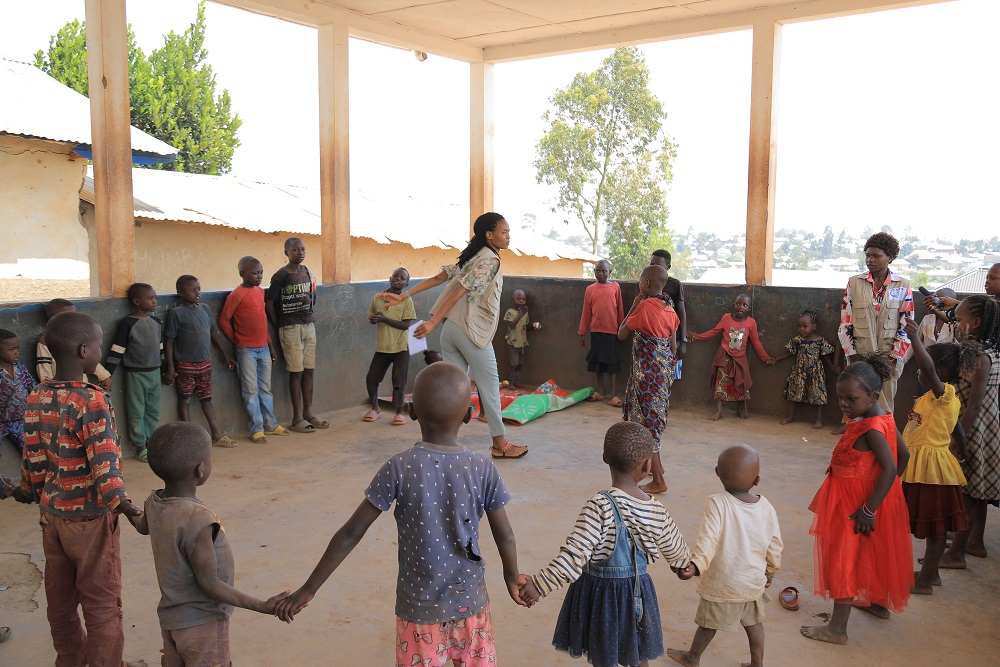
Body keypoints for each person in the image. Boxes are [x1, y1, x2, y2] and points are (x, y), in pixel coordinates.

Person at [274, 363, 527, 666]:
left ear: (411, 411)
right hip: (471, 606)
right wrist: (512, 576)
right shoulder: (482, 468)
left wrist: (309, 588)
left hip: (418, 612)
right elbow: (505, 534)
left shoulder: (399, 467)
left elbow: (351, 533)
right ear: (469, 415)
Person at [11, 311, 144, 667]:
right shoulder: (92, 400)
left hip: (52, 519)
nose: (99, 351)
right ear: (85, 350)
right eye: (99, 345)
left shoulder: (37, 395)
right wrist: (129, 510)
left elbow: (34, 462)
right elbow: (106, 471)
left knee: (61, 603)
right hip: (90, 521)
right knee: (103, 607)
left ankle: (70, 661)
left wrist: (23, 490)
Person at [515, 422, 691, 667]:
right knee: (637, 653)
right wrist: (685, 566)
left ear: (605, 458)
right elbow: (675, 545)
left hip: (602, 598)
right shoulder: (656, 510)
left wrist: (540, 584)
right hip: (638, 594)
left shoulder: (599, 505)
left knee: (604, 653)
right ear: (648, 465)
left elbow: (575, 552)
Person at [132, 422, 290, 664]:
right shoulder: (198, 519)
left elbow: (142, 526)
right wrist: (262, 606)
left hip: (171, 620)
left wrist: (122, 504)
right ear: (200, 469)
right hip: (202, 623)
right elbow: (209, 584)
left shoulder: (154, 502)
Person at [379, 212, 528, 459]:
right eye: (504, 232)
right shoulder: (489, 260)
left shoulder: (472, 256)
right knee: (489, 386)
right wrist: (432, 321)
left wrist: (404, 295)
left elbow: (440, 277)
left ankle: (441, 443)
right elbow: (460, 289)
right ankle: (500, 444)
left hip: (452, 330)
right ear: (489, 235)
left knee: (451, 389)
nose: (508, 236)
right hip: (472, 332)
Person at [800, 352, 912, 645]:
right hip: (866, 499)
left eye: (851, 399)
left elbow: (890, 466)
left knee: (844, 558)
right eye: (841, 399)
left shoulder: (871, 427)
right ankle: (876, 602)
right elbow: (905, 456)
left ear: (873, 395)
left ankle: (837, 629)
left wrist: (870, 506)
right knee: (866, 553)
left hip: (854, 504)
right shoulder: (884, 416)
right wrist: (885, 495)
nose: (845, 405)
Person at [668, 444, 783, 667]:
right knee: (754, 624)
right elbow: (775, 544)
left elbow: (708, 540)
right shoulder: (766, 507)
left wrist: (695, 566)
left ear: (717, 472)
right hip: (752, 580)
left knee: (708, 623)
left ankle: (692, 658)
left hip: (723, 581)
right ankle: (757, 664)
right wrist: (771, 571)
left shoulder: (717, 502)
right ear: (757, 480)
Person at [900, 319, 977, 594]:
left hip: (931, 470)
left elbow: (928, 368)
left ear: (941, 371)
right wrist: (964, 454)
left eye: (925, 367)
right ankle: (930, 574)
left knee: (936, 529)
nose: (920, 371)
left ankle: (923, 582)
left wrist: (915, 339)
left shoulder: (945, 394)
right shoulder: (930, 400)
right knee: (933, 526)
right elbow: (957, 429)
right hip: (922, 467)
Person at [940, 295, 1000, 568]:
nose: (955, 322)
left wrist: (957, 442)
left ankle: (956, 554)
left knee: (966, 494)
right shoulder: (984, 350)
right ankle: (967, 543)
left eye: (959, 318)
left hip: (974, 432)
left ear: (975, 323)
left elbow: (973, 407)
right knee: (974, 492)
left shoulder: (981, 359)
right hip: (980, 429)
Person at [618, 264, 680, 495]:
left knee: (646, 425)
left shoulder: (643, 308)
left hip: (646, 379)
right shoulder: (671, 312)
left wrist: (633, 307)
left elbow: (621, 333)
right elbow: (672, 349)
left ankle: (659, 480)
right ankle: (658, 467)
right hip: (662, 379)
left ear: (645, 284)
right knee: (654, 420)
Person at [838, 232, 913, 414]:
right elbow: (846, 323)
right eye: (868, 255)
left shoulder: (903, 285)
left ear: (890, 258)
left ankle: (882, 440)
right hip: (860, 355)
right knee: (856, 403)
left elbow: (906, 326)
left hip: (889, 359)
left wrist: (895, 357)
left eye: (876, 256)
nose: (870, 260)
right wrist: (853, 355)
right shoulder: (854, 283)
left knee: (884, 406)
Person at [218, 257, 288, 444]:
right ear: (242, 274)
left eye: (261, 273)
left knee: (266, 389)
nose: (259, 276)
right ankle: (256, 429)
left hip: (263, 349)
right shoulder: (236, 295)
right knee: (250, 391)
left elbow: (263, 322)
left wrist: (271, 346)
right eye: (255, 273)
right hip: (246, 350)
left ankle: (270, 425)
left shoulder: (259, 292)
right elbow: (223, 320)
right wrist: (237, 341)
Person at [164, 275, 239, 448]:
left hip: (205, 364)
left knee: (206, 399)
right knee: (185, 399)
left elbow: (213, 333)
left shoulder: (204, 309)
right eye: (193, 290)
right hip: (185, 365)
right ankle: (189, 436)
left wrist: (224, 354)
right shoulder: (177, 313)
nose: (198, 293)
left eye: (199, 289)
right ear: (181, 292)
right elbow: (169, 341)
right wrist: (171, 367)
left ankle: (216, 434)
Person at [266, 237, 327, 433]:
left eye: (302, 249)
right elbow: (269, 303)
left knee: (309, 369)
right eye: (294, 250)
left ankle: (309, 412)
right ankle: (297, 417)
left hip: (309, 325)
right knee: (296, 371)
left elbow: (313, 297)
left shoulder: (308, 272)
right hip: (290, 328)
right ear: (286, 253)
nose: (299, 252)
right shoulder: (280, 276)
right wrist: (279, 325)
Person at [690, 294, 774, 420]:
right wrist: (696, 336)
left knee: (741, 382)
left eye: (745, 305)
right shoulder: (726, 318)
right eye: (738, 303)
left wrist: (766, 358)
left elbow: (756, 342)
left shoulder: (751, 322)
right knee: (720, 382)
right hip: (724, 355)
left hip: (740, 358)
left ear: (749, 308)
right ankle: (718, 410)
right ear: (734, 305)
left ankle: (740, 408)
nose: (741, 307)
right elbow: (714, 331)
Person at [104, 282, 163, 462]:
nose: (154, 302)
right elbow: (117, 350)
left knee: (153, 410)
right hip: (136, 374)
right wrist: (107, 374)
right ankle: (140, 445)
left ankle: (152, 441)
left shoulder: (156, 322)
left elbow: (160, 348)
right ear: (137, 301)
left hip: (155, 372)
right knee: (136, 410)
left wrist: (167, 369)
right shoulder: (128, 323)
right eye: (150, 298)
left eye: (155, 298)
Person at [363, 267, 416, 425]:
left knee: (398, 381)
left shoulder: (407, 300)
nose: (397, 279)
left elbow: (406, 325)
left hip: (401, 347)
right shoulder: (378, 298)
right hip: (383, 347)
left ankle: (399, 412)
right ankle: (374, 407)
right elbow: (372, 317)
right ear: (389, 278)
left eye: (402, 278)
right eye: (395, 276)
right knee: (371, 379)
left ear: (406, 284)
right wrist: (374, 319)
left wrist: (384, 319)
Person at [771, 310, 837, 429]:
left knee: (818, 395)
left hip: (815, 372)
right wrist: (777, 359)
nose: (802, 329)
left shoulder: (820, 341)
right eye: (799, 327)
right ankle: (790, 416)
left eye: (805, 326)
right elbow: (789, 352)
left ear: (814, 326)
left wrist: (832, 366)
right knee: (795, 393)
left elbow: (825, 355)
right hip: (799, 371)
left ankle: (818, 420)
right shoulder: (797, 340)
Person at [578, 259, 625, 407]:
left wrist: (622, 329)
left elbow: (620, 310)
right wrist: (582, 331)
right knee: (598, 363)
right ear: (594, 272)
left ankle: (613, 394)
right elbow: (586, 312)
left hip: (612, 333)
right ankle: (600, 392)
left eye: (604, 271)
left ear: (610, 272)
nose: (600, 273)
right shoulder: (590, 289)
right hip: (596, 332)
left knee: (612, 364)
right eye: (597, 270)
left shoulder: (615, 287)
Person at [37, 298, 113, 388]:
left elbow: (90, 357)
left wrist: (104, 376)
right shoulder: (45, 341)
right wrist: (50, 388)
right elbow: (43, 369)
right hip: (60, 389)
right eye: (71, 316)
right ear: (56, 319)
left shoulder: (80, 337)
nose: (76, 318)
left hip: (82, 387)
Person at [650, 249, 688, 363]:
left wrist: (683, 341)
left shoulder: (674, 284)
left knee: (669, 373)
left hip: (672, 338)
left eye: (658, 265)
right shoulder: (647, 283)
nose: (654, 268)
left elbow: (681, 312)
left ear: (668, 267)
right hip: (652, 338)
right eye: (651, 265)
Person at [0, 329, 34, 453]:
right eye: (11, 349)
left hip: (20, 419)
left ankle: (36, 470)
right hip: (1, 421)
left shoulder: (20, 368)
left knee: (30, 449)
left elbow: (32, 385)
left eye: (17, 348)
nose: (16, 353)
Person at [504, 289, 538, 388]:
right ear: (512, 300)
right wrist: (520, 314)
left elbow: (524, 326)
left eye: (523, 299)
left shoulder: (525, 313)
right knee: (514, 364)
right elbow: (512, 325)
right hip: (513, 343)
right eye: (518, 299)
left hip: (522, 343)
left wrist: (533, 326)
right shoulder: (510, 312)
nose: (521, 301)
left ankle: (515, 382)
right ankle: (510, 382)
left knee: (519, 364)